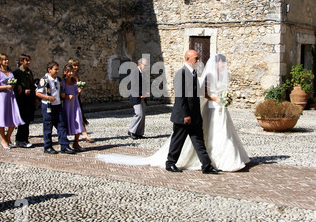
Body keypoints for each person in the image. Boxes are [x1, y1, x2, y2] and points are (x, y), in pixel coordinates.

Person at [95, 53, 250, 172]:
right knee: (177, 140)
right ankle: (170, 163)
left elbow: (197, 95)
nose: (198, 60)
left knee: (198, 140)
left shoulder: (194, 73)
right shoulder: (181, 73)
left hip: (195, 114)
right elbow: (180, 97)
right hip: (184, 115)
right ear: (188, 58)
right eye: (196, 58)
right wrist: (186, 115)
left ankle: (206, 165)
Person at [36, 61, 75, 155]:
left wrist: (62, 95)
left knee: (61, 126)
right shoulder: (44, 80)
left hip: (57, 105)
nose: (57, 71)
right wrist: (48, 97)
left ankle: (64, 146)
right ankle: (48, 146)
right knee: (48, 127)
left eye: (58, 69)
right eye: (55, 69)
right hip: (48, 106)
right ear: (49, 70)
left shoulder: (58, 80)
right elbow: (37, 93)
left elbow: (59, 90)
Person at [0, 53, 25, 150]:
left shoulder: (10, 71)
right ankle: (3, 139)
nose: (7, 61)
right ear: (0, 61)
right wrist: (6, 87)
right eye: (4, 60)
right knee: (1, 119)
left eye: (7, 59)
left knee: (14, 117)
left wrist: (18, 86)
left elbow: (13, 81)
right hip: (2, 97)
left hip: (11, 96)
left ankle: (8, 136)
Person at [68, 58, 94, 143]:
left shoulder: (77, 76)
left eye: (77, 66)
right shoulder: (68, 76)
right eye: (74, 65)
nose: (75, 67)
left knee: (80, 115)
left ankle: (84, 134)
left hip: (77, 98)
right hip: (70, 99)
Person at [13, 54, 36, 148]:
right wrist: (22, 89)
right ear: (22, 61)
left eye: (29, 61)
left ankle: (24, 139)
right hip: (21, 100)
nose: (28, 63)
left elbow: (31, 84)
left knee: (27, 120)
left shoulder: (29, 72)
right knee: (22, 120)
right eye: (27, 61)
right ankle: (20, 139)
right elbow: (15, 85)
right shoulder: (17, 73)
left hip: (29, 99)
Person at [61, 64, 85, 152]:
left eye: (72, 71)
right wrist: (67, 96)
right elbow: (60, 94)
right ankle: (65, 143)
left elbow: (76, 93)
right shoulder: (62, 82)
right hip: (66, 105)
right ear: (65, 72)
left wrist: (79, 91)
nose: (71, 73)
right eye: (69, 71)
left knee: (78, 120)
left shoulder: (75, 81)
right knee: (65, 122)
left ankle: (76, 142)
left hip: (75, 104)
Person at [128, 58, 149, 139]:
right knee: (138, 114)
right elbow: (134, 85)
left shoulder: (143, 73)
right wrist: (141, 93)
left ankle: (139, 133)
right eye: (145, 65)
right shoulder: (134, 72)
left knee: (142, 115)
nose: (146, 66)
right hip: (136, 96)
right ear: (139, 64)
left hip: (142, 96)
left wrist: (146, 92)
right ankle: (131, 131)